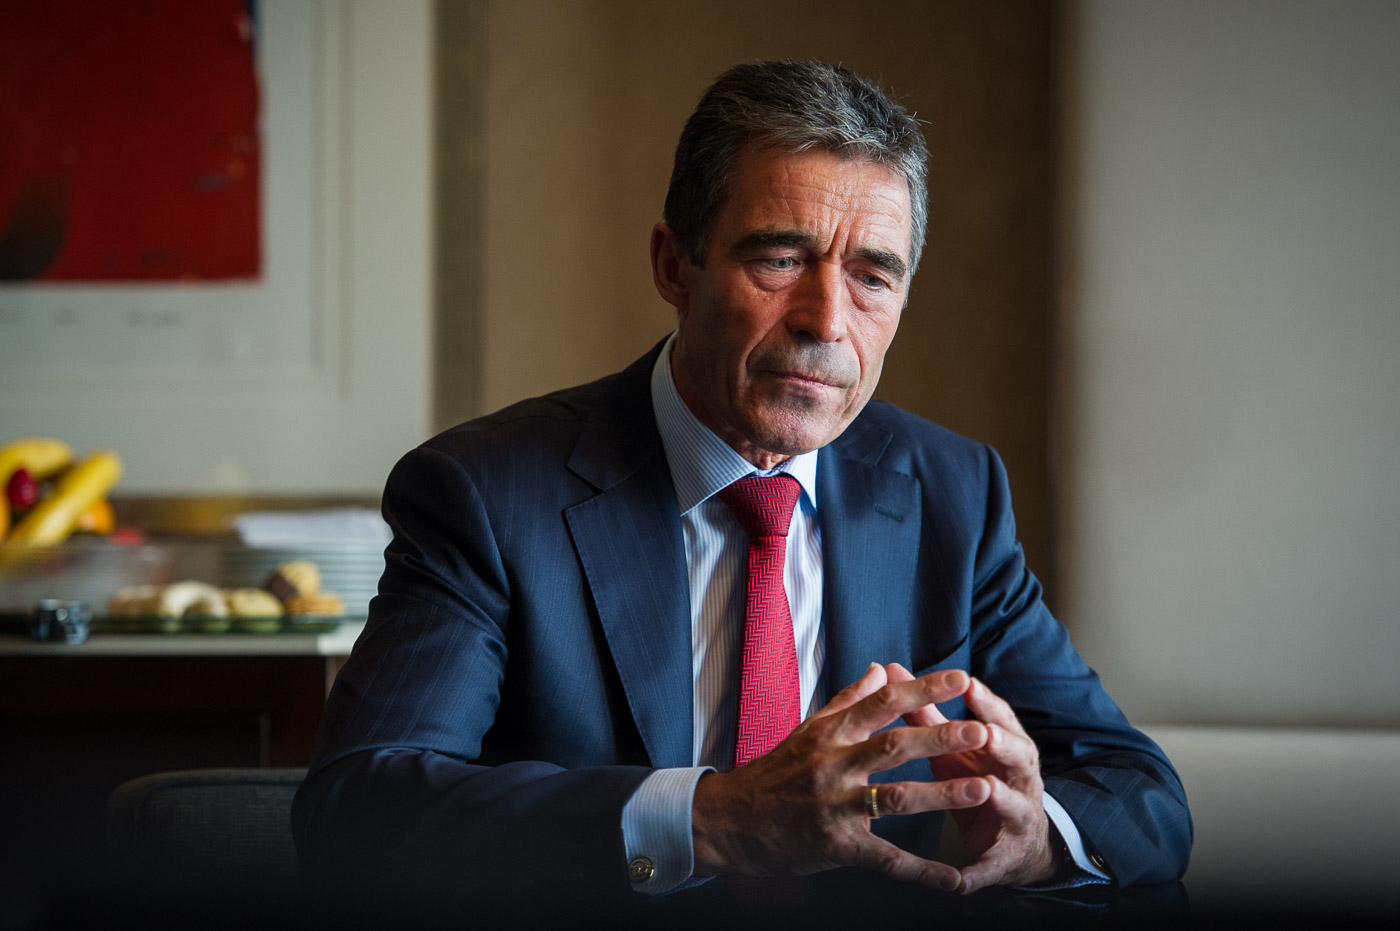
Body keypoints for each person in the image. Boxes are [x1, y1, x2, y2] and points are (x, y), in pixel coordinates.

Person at [291, 60, 1191, 915]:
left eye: (872, 275)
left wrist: (1035, 840)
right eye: (780, 259)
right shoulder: (485, 494)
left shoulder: (953, 493)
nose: (826, 321)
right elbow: (360, 809)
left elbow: (1141, 793)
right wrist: (719, 819)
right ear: (674, 266)